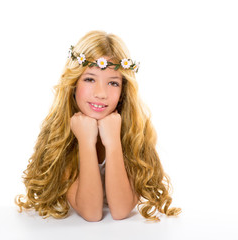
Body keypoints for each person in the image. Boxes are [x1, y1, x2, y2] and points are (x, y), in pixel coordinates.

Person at [15, 30, 181, 222]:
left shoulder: (135, 131)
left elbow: (120, 211)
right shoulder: (61, 134)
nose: (101, 93)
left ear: (124, 91)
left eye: (112, 82)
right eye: (90, 79)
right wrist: (86, 141)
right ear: (74, 83)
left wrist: (113, 142)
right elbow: (91, 213)